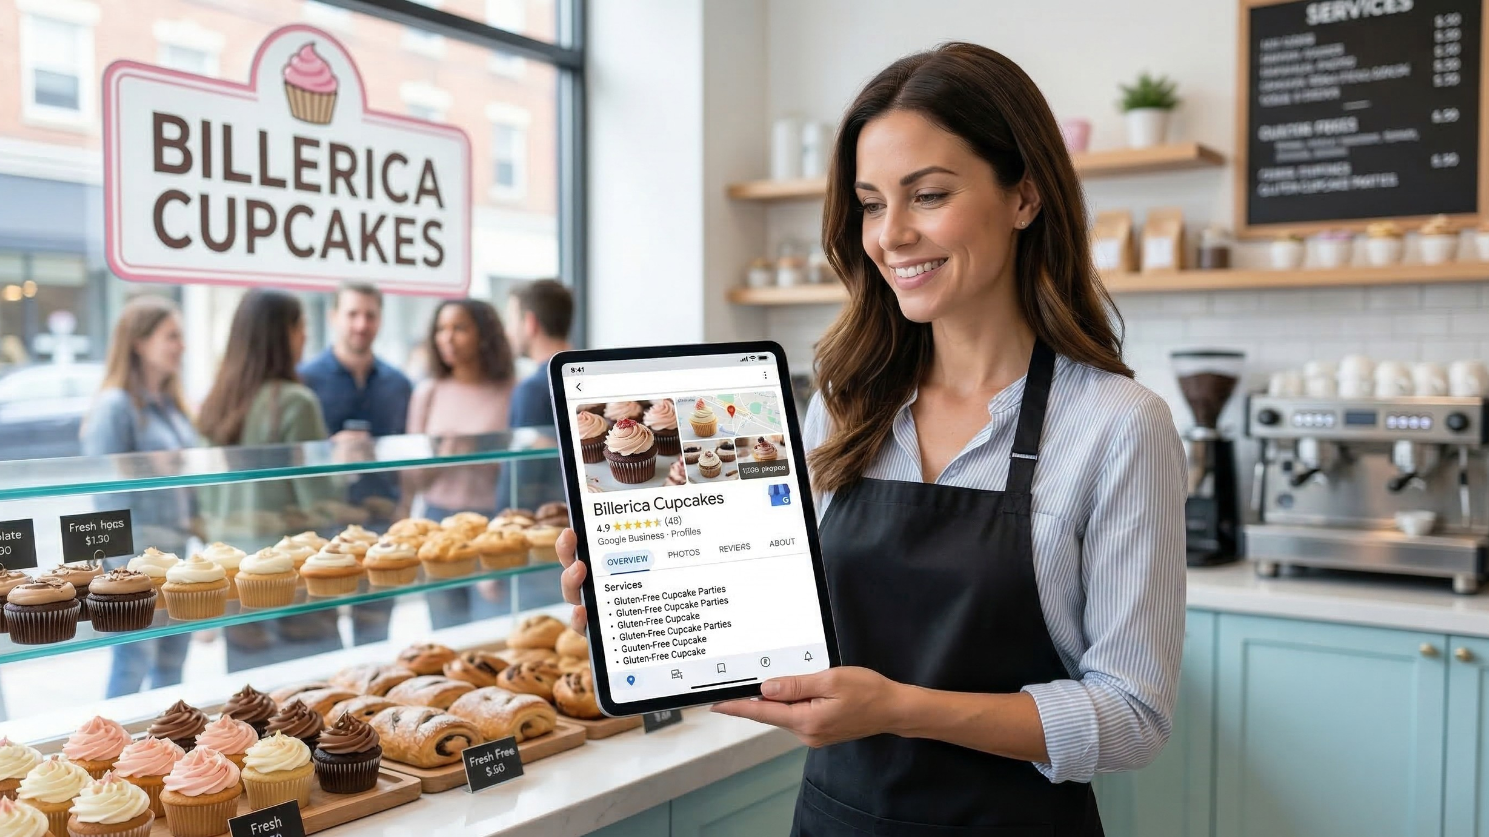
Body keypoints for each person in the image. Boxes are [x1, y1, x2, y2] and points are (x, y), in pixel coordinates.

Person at [557, 43, 1185, 835]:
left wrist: (897, 708)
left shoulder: (1117, 425)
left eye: (927, 195)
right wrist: (648, 601)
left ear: (1023, 195)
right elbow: (784, 627)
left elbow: (1131, 717)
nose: (891, 235)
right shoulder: (845, 402)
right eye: (870, 203)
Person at [196, 289, 340, 669]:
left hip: (234, 579)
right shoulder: (295, 402)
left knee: (251, 698)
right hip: (292, 576)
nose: (306, 336)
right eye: (300, 327)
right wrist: (346, 464)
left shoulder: (216, 402)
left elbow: (203, 500)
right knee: (313, 694)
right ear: (281, 335)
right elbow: (319, 501)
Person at [80, 296, 196, 698]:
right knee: (133, 660)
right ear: (139, 342)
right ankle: (111, 737)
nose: (181, 345)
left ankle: (169, 735)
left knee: (173, 657)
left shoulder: (172, 404)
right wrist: (119, 571)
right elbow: (103, 494)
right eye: (171, 336)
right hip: (133, 563)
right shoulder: (115, 406)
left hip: (176, 554)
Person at [299, 282, 412, 645]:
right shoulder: (305, 379)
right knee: (320, 631)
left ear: (380, 320)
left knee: (376, 631)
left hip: (382, 523)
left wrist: (405, 509)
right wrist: (329, 451)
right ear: (334, 317)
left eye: (370, 315)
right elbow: (292, 456)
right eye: (352, 314)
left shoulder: (399, 384)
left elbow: (408, 456)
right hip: (321, 525)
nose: (361, 324)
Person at [405, 299, 515, 628]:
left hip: (493, 523)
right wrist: (444, 457)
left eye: (459, 328)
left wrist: (478, 452)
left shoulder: (511, 392)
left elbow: (519, 474)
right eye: (441, 329)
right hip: (436, 523)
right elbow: (413, 479)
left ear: (484, 335)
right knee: (445, 631)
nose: (447, 338)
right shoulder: (427, 392)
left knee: (492, 630)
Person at [500, 280, 573, 609]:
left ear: (530, 323)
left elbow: (520, 475)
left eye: (511, 320)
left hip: (543, 542)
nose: (509, 331)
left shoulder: (532, 389)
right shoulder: (589, 375)